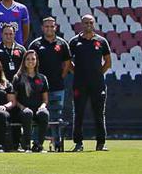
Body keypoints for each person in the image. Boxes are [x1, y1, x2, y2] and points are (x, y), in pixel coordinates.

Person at [68, 14, 112, 152]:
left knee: (99, 114)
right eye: (85, 22)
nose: (88, 25)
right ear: (81, 24)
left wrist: (98, 74)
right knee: (78, 113)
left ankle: (101, 143)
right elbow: (68, 63)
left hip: (97, 84)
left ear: (94, 24)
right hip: (79, 84)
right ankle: (78, 143)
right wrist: (79, 73)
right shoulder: (74, 41)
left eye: (90, 22)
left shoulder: (102, 41)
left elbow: (108, 62)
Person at [28, 16, 73, 149]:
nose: (49, 28)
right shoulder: (35, 44)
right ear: (42, 28)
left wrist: (61, 76)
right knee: (38, 114)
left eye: (51, 26)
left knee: (56, 116)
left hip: (57, 86)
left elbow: (67, 63)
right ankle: (36, 142)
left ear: (56, 27)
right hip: (39, 88)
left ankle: (57, 142)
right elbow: (29, 64)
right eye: (46, 26)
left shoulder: (62, 44)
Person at [12, 50, 50, 153]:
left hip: (38, 109)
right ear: (24, 61)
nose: (30, 61)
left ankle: (39, 145)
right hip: (22, 110)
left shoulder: (42, 78)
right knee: (27, 113)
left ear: (37, 61)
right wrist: (22, 107)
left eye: (33, 59)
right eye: (28, 59)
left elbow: (45, 99)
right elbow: (14, 99)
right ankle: (27, 145)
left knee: (44, 114)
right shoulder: (18, 78)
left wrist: (42, 106)